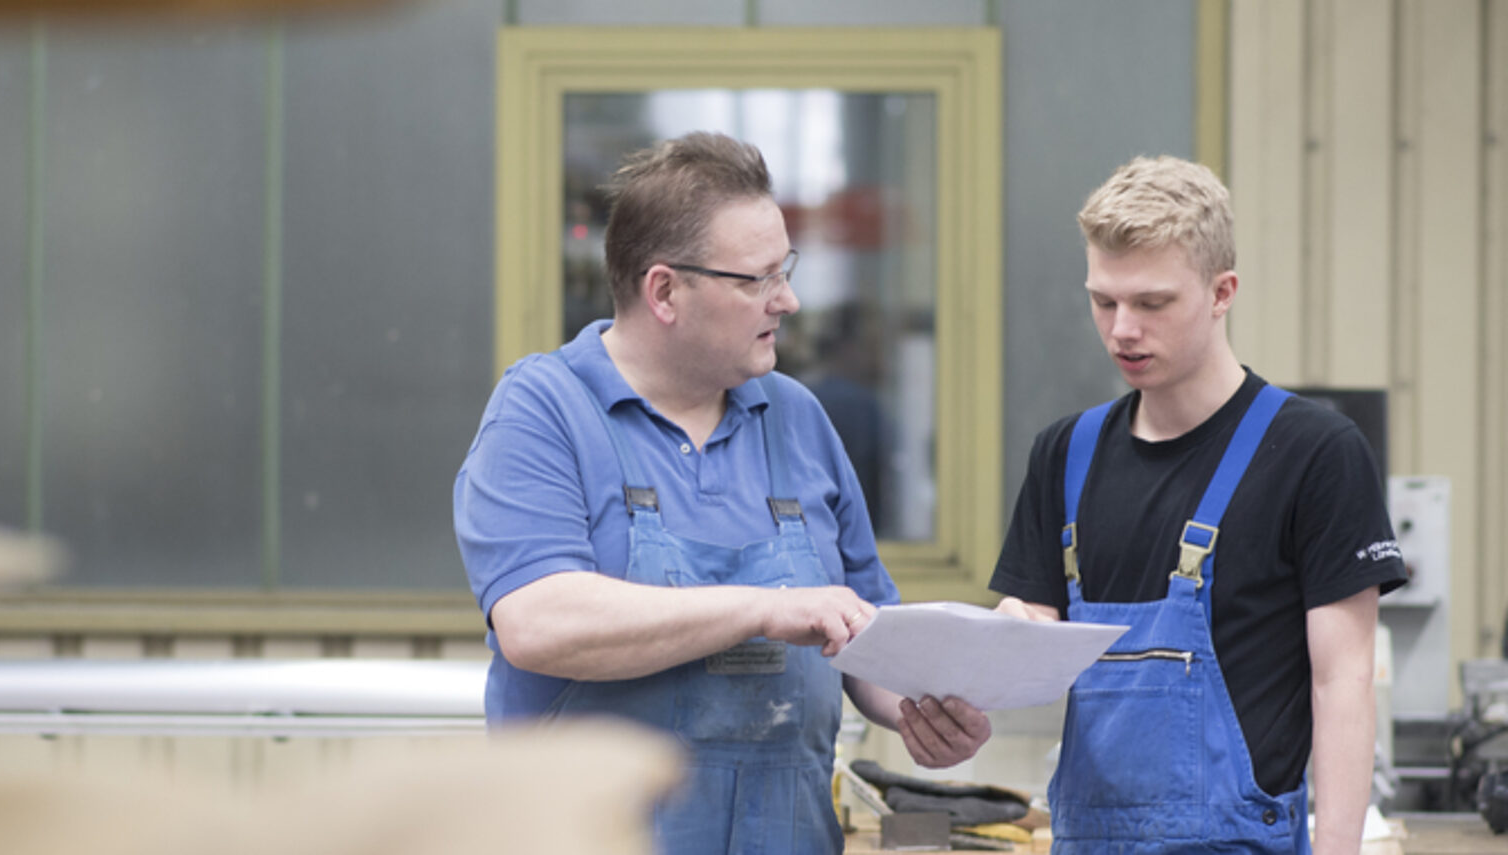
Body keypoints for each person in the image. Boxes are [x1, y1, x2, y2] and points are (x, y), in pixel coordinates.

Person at [453, 131, 991, 855]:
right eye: (757, 279)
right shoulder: (545, 410)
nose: (790, 299)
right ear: (666, 291)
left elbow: (866, 631)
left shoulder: (796, 416)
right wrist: (764, 608)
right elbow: (539, 621)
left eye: (787, 270)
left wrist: (927, 705)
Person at [991, 155, 1408, 854]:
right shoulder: (1062, 454)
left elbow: (1343, 682)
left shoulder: (1315, 453)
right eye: (1104, 300)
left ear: (1222, 292)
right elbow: (1037, 620)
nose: (1122, 328)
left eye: (1153, 303)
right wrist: (1005, 631)